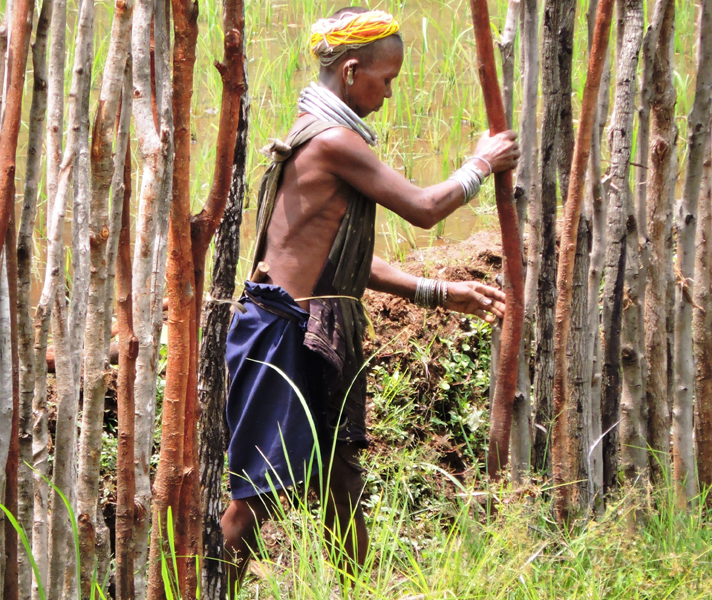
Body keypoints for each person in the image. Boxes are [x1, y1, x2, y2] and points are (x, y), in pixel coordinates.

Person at [220, 7, 520, 595]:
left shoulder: (323, 134)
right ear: (353, 71)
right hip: (280, 336)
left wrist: (439, 292)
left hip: (305, 327)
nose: (387, 94)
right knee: (256, 495)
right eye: (385, 81)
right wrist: (480, 164)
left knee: (339, 484)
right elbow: (424, 209)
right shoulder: (332, 140)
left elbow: (336, 265)